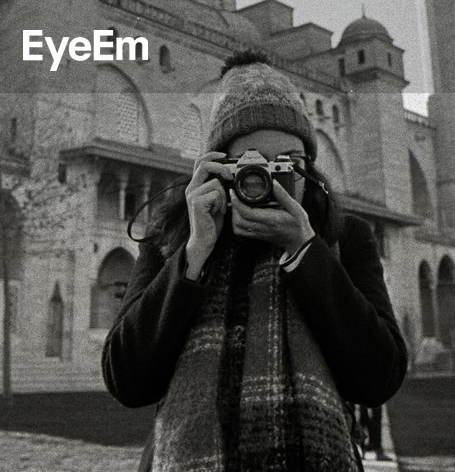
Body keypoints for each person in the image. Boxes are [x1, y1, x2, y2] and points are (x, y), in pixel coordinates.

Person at [102, 52, 407, 471]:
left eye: (288, 164)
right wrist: (193, 256)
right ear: (219, 166)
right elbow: (127, 379)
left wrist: (305, 251)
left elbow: (379, 377)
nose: (268, 179)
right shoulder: (173, 239)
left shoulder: (342, 238)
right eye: (252, 164)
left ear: (310, 169)